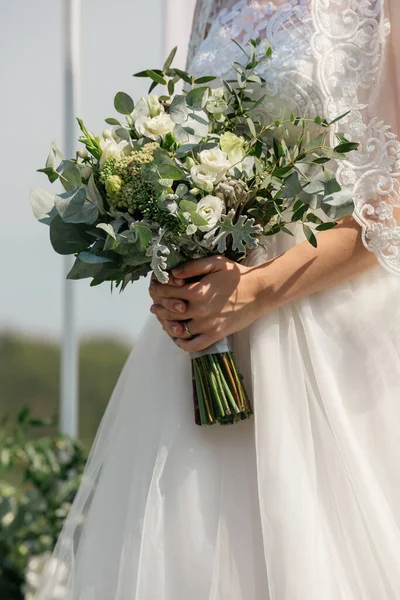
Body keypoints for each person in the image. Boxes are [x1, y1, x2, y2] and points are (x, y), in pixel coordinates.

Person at [36, 1, 400, 598]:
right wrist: (168, 263)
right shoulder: (216, 4)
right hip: (211, 340)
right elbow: (190, 149)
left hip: (335, 339)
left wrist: (254, 289)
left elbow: (393, 209)